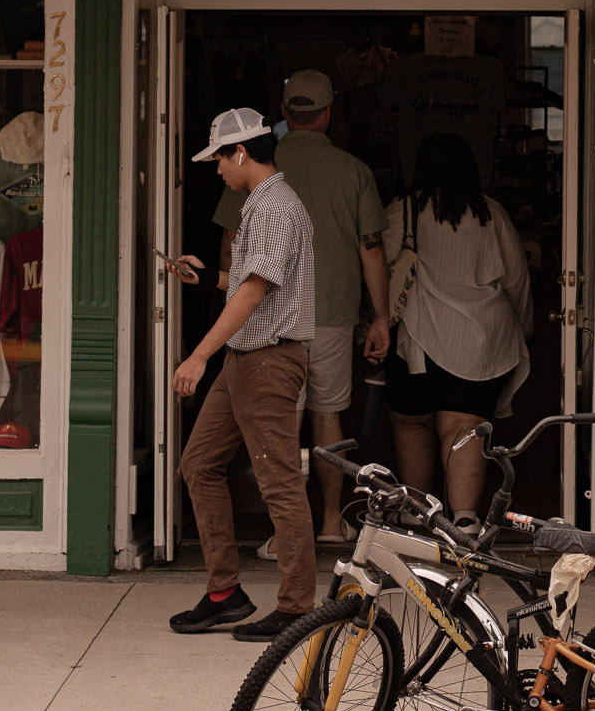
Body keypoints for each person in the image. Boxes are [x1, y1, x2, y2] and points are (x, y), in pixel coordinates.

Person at [214, 70, 388, 546]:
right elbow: (371, 248)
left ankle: (283, 532)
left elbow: (230, 245)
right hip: (332, 311)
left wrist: (233, 302)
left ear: (285, 113)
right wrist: (381, 316)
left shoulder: (258, 164)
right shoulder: (353, 171)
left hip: (271, 316)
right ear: (330, 113)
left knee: (282, 422)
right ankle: (332, 522)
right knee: (327, 418)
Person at [166, 108, 317, 642]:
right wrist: (209, 275)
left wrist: (199, 354)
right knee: (199, 464)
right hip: (248, 358)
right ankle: (225, 595)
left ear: (241, 152)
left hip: (267, 359)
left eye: (219, 159)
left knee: (278, 484)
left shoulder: (274, 206)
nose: (216, 171)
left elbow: (254, 293)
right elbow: (253, 282)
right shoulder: (262, 203)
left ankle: (298, 607)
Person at [382, 132, 532, 534]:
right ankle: (465, 519)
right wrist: (523, 331)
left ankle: (416, 509)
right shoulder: (491, 213)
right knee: (464, 429)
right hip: (482, 340)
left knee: (412, 423)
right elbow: (517, 282)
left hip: (419, 339)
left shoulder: (404, 210)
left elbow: (379, 269)